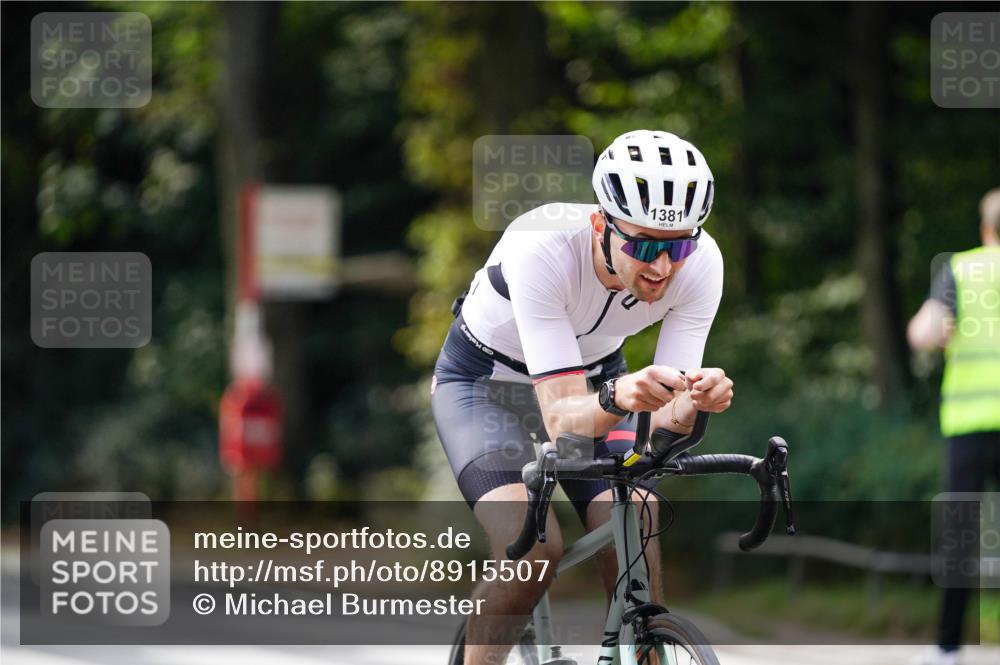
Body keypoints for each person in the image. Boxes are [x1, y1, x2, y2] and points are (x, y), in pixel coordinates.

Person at [432, 130, 734, 664]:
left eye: (678, 245)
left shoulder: (703, 263)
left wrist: (693, 401)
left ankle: (643, 646)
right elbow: (563, 420)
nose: (662, 266)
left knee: (634, 513)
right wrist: (620, 394)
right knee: (532, 550)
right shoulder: (542, 246)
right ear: (601, 225)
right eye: (643, 245)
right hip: (485, 386)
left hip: (594, 382)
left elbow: (664, 425)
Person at [907, 187, 1000, 665]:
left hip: (970, 424)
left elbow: (924, 330)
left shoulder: (962, 268)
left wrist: (933, 333)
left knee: (960, 536)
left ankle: (947, 648)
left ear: (986, 230)